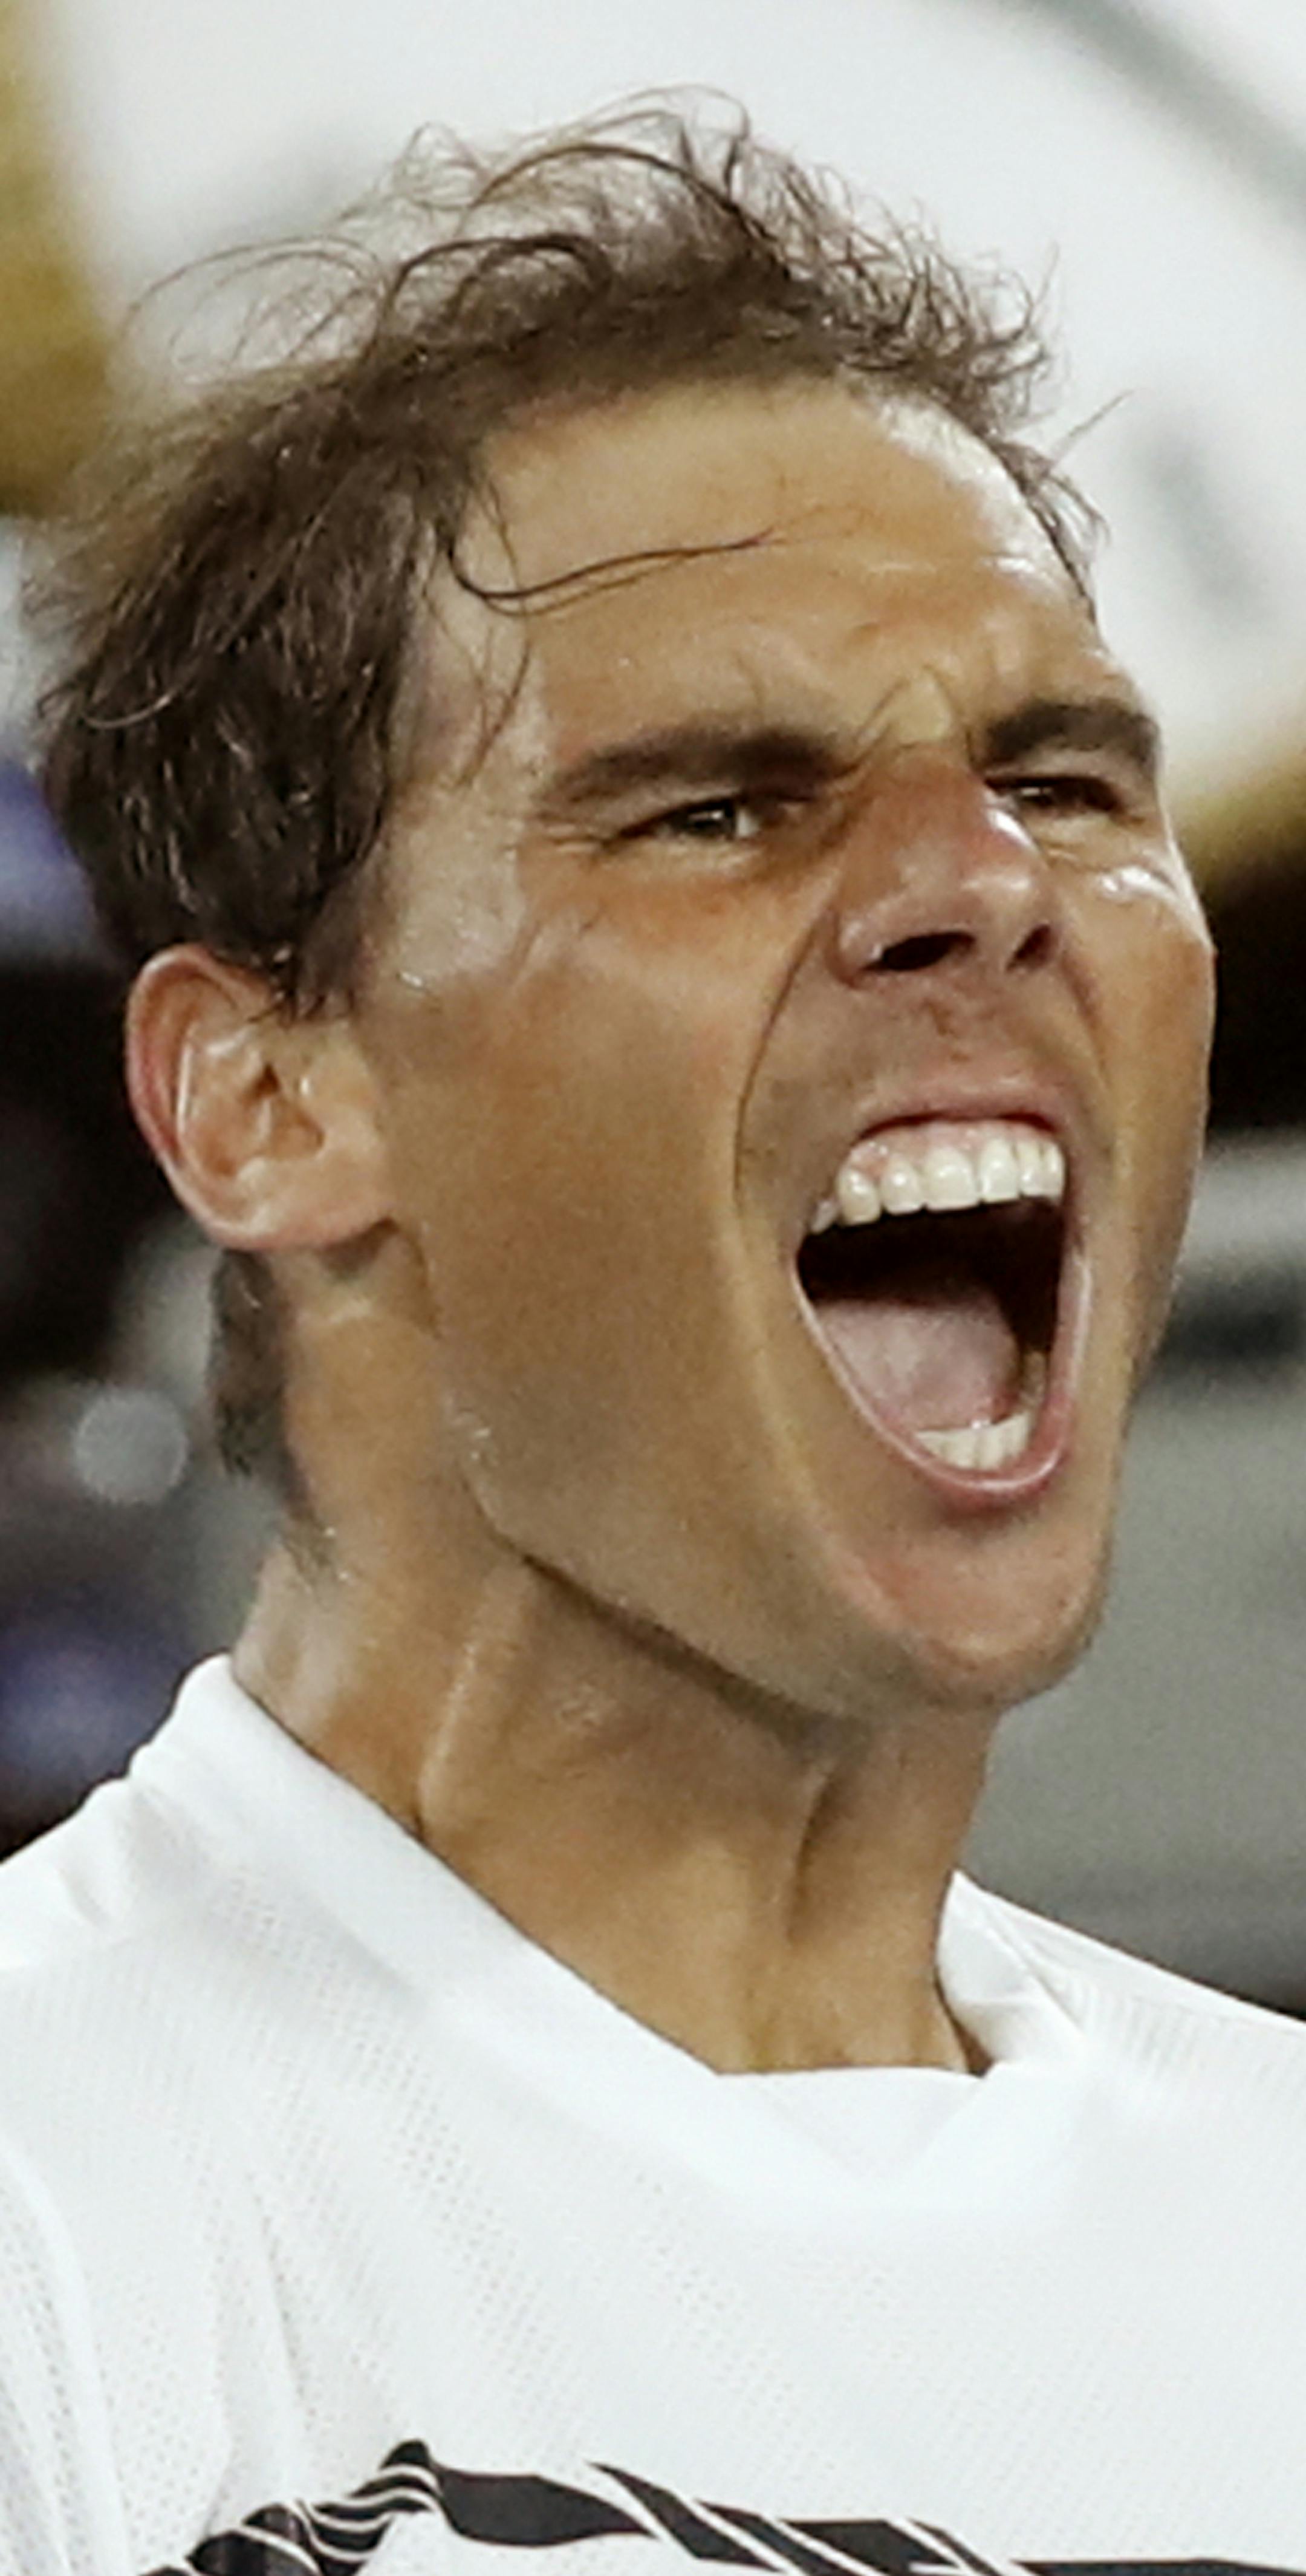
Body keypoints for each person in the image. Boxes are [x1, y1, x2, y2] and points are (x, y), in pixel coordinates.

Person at [1, 99, 1301, 2576]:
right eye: (723, 808)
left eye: (1057, 777)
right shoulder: (50, 2223)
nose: (976, 886)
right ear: (267, 1102)